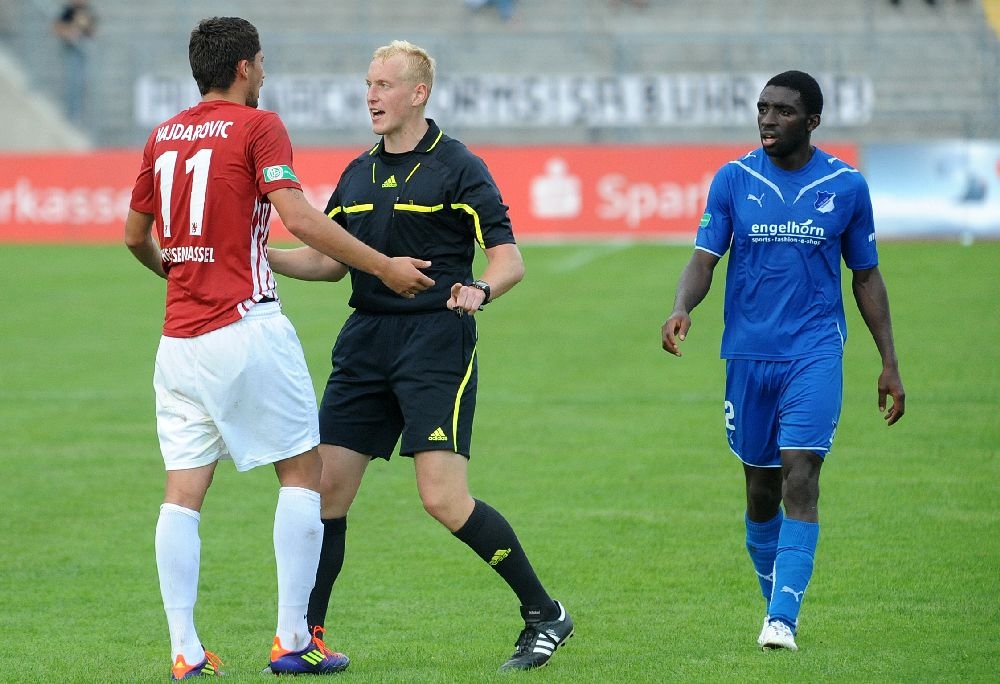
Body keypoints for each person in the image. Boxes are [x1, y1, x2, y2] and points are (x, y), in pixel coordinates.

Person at [124, 17, 434, 680]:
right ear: (243, 67)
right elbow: (296, 217)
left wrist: (180, 275)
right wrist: (382, 266)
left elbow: (132, 236)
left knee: (182, 492)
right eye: (261, 64)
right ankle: (292, 639)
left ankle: (185, 651)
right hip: (245, 328)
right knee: (302, 473)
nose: (264, 75)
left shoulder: (163, 135)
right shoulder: (257, 126)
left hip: (178, 344)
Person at [267, 40, 573, 672]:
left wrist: (480, 290)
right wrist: (255, 261)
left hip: (435, 341)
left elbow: (508, 259)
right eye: (368, 84)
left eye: (383, 85)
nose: (371, 96)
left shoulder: (458, 166)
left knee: (441, 499)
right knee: (326, 492)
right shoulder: (357, 173)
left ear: (418, 93)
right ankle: (309, 638)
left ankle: (545, 614)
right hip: (364, 342)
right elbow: (327, 261)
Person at [660, 70, 905, 651]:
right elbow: (704, 257)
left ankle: (782, 621)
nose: (768, 119)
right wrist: (681, 307)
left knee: (802, 474)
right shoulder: (733, 179)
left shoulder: (845, 186)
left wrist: (889, 361)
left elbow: (865, 276)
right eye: (763, 108)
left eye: (784, 111)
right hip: (748, 354)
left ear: (812, 121)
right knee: (760, 487)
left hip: (814, 350)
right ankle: (775, 598)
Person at [51, 0, 97, 123]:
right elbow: (57, 27)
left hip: (84, 53)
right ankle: (71, 114)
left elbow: (94, 30)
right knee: (72, 82)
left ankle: (80, 114)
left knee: (83, 84)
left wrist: (86, 28)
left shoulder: (88, 11)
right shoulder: (68, 11)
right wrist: (69, 32)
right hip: (71, 51)